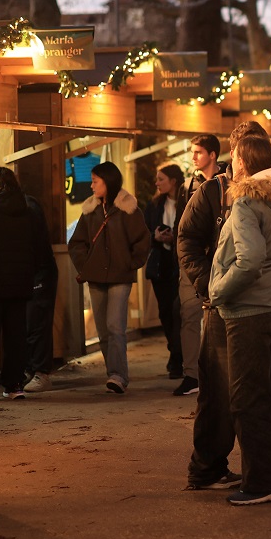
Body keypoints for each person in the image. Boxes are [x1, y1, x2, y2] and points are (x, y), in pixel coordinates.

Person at [179, 120, 271, 493]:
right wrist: (212, 285)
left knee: (258, 391)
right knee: (223, 392)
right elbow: (187, 238)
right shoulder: (212, 193)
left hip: (253, 304)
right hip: (224, 302)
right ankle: (209, 466)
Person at [208, 134, 271, 506]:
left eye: (232, 156)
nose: (229, 163)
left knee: (248, 397)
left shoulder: (246, 202)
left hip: (246, 310)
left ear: (244, 163)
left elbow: (248, 259)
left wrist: (218, 290)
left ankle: (264, 483)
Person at [68, 161, 151, 394]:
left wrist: (130, 264)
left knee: (115, 325)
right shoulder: (90, 210)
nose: (92, 186)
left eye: (96, 181)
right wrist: (86, 265)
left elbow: (143, 241)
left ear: (108, 182)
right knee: (104, 330)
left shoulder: (128, 209)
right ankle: (112, 373)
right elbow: (76, 243)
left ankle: (118, 375)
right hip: (95, 277)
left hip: (120, 277)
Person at [0, 167, 37, 402]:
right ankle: (14, 384)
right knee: (15, 336)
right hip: (19, 283)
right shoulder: (27, 211)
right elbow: (36, 246)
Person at [175, 134, 227, 395]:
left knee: (216, 316)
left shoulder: (227, 182)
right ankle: (191, 375)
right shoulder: (188, 186)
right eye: (192, 152)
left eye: (198, 152)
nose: (193, 157)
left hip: (221, 258)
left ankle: (216, 372)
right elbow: (182, 227)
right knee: (189, 316)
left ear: (213, 155)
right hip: (193, 260)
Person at [145, 163, 186, 381]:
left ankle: (179, 358)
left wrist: (176, 237)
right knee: (166, 314)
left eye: (161, 179)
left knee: (179, 312)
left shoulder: (188, 201)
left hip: (181, 264)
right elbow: (145, 231)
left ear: (173, 181)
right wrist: (156, 237)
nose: (157, 183)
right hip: (161, 266)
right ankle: (175, 355)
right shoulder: (154, 205)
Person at [22, 189, 58, 392]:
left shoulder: (28, 208)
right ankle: (33, 370)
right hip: (35, 274)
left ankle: (40, 372)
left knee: (36, 324)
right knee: (30, 324)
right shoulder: (29, 205)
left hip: (38, 274)